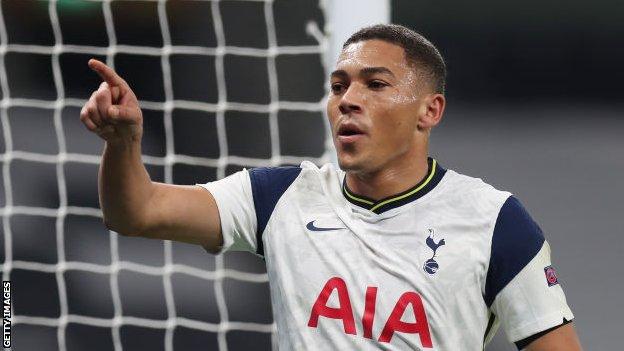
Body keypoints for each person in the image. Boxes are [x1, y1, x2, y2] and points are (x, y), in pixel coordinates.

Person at [80, 24, 582, 350]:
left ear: (430, 110)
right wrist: (123, 144)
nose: (348, 100)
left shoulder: (496, 222)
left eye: (376, 84)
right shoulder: (280, 197)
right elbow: (137, 212)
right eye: (339, 86)